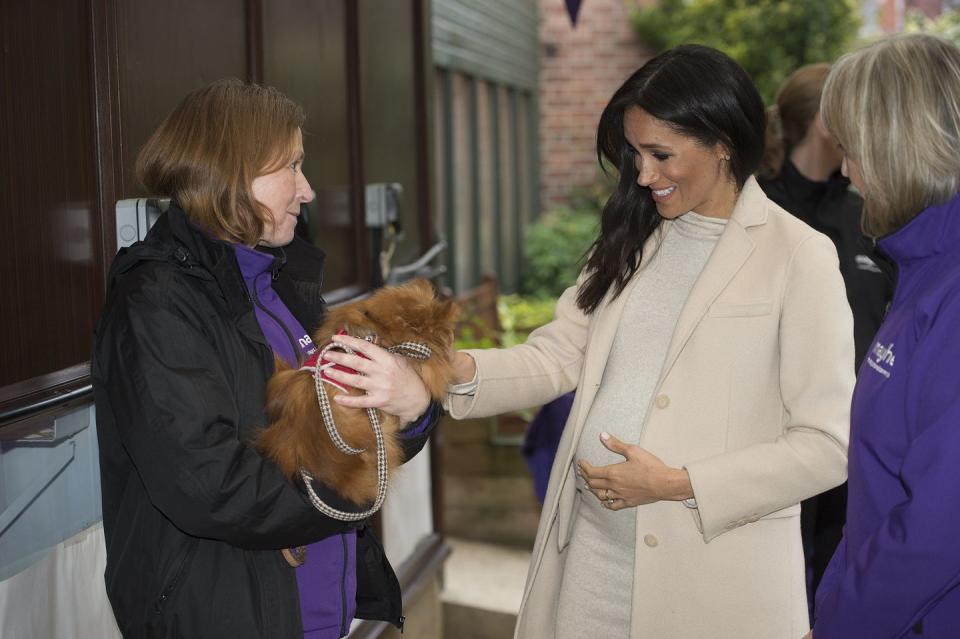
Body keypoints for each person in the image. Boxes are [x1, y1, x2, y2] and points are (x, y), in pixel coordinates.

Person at [435, 44, 855, 639]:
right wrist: (441, 369)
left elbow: (827, 444)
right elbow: (557, 356)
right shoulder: (632, 236)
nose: (642, 175)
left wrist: (677, 484)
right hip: (588, 572)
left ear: (723, 143)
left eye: (661, 154)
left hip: (716, 590)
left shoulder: (801, 254)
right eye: (635, 154)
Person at [92, 79, 438, 639]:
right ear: (230, 172)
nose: (306, 191)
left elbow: (343, 432)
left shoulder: (280, 283)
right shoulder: (155, 301)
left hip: (316, 616)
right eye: (291, 168)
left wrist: (415, 405)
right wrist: (353, 483)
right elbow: (211, 485)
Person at [810, 34, 960, 639]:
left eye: (853, 149)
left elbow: (939, 522)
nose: (845, 170)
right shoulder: (922, 265)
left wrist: (845, 621)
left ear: (899, 145)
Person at [757, 64, 893, 608]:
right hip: (774, 435)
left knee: (837, 576)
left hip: (854, 439)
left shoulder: (870, 213)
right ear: (822, 122)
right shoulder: (755, 208)